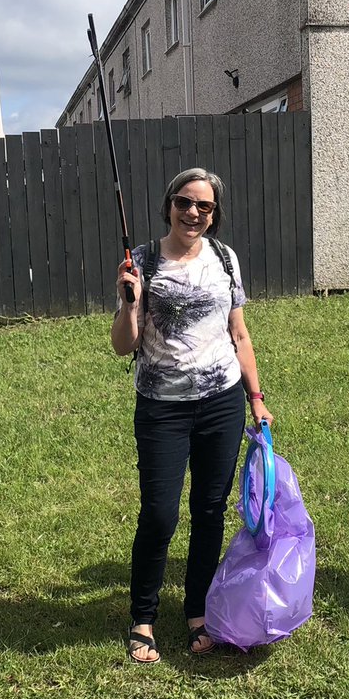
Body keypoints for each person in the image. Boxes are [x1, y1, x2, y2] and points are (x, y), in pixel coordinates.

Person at [110, 168, 274, 663]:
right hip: (162, 406)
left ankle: (197, 611)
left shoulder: (225, 258)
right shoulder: (141, 260)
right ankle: (143, 617)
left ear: (214, 214)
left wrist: (256, 397)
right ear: (169, 205)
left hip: (221, 401)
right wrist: (129, 305)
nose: (194, 213)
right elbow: (123, 346)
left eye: (204, 207)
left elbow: (239, 335)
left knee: (209, 511)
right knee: (159, 513)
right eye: (185, 202)